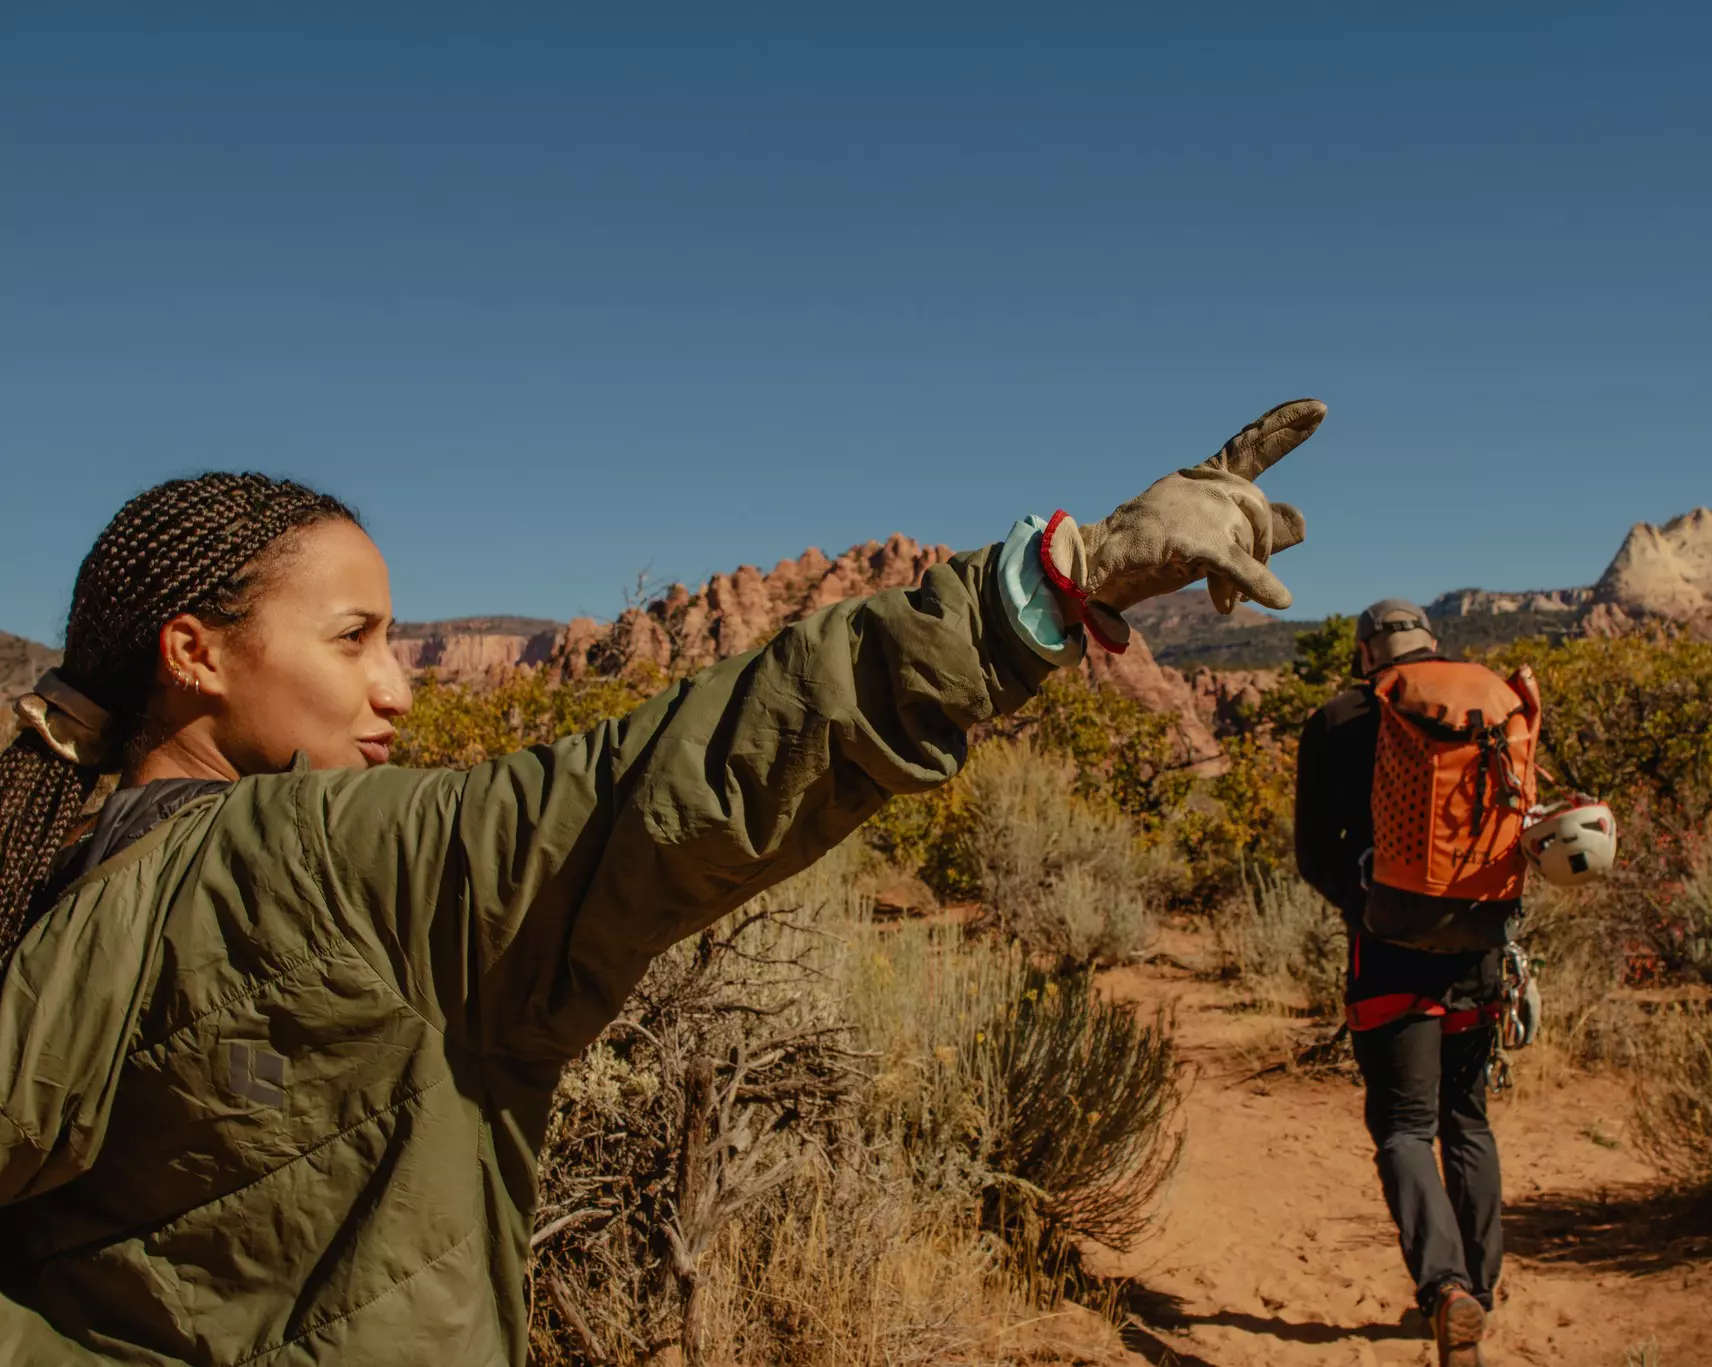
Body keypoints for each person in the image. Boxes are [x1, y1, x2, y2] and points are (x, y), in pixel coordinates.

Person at [0, 399, 1322, 1366]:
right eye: (354, 640)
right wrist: (1051, 583)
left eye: (402, 641)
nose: (398, 685)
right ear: (195, 651)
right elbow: (672, 782)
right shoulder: (327, 855)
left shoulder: (46, 858)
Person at [1294, 598, 1540, 1367]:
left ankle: (1444, 1290)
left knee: (1404, 1126)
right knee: (1466, 1117)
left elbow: (1312, 853)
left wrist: (1366, 906)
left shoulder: (1336, 720)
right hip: (1479, 943)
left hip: (1389, 952)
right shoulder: (1485, 707)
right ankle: (1481, 1287)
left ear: (1366, 655)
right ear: (1434, 647)